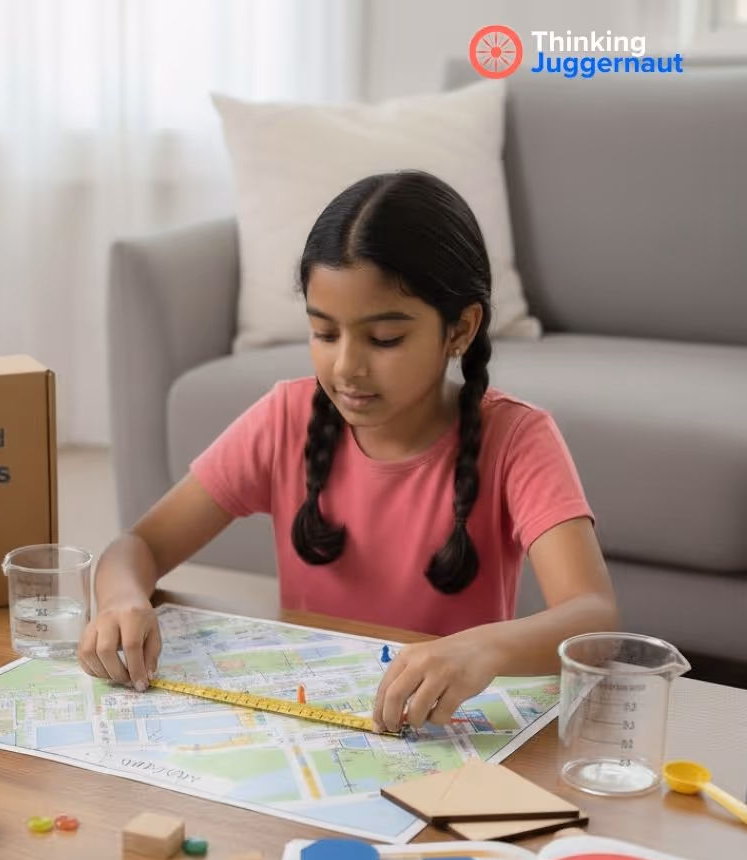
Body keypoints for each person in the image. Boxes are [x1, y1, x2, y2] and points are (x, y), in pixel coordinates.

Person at [78, 170, 619, 732]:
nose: (346, 368)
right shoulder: (285, 418)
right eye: (324, 333)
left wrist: (484, 650)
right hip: (309, 724)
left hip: (440, 732)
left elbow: (592, 619)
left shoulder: (517, 438)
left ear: (460, 328)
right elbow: (138, 544)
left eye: (384, 339)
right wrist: (122, 601)